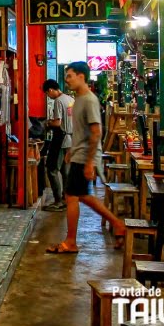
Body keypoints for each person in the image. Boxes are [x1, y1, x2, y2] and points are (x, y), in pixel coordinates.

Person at [46, 61, 125, 254]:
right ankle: (77, 238)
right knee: (75, 195)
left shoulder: (89, 99)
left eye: (70, 76)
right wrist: (71, 151)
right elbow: (80, 131)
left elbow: (96, 132)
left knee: (76, 195)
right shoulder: (77, 99)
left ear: (81, 76)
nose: (67, 80)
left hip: (85, 156)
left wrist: (89, 162)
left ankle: (112, 225)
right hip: (78, 153)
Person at [42, 79, 74, 211]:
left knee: (52, 169)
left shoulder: (58, 101)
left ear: (50, 90)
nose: (48, 96)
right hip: (71, 138)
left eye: (47, 94)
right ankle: (67, 198)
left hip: (61, 139)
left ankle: (58, 201)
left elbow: (58, 123)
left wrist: (48, 123)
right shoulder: (70, 99)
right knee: (65, 170)